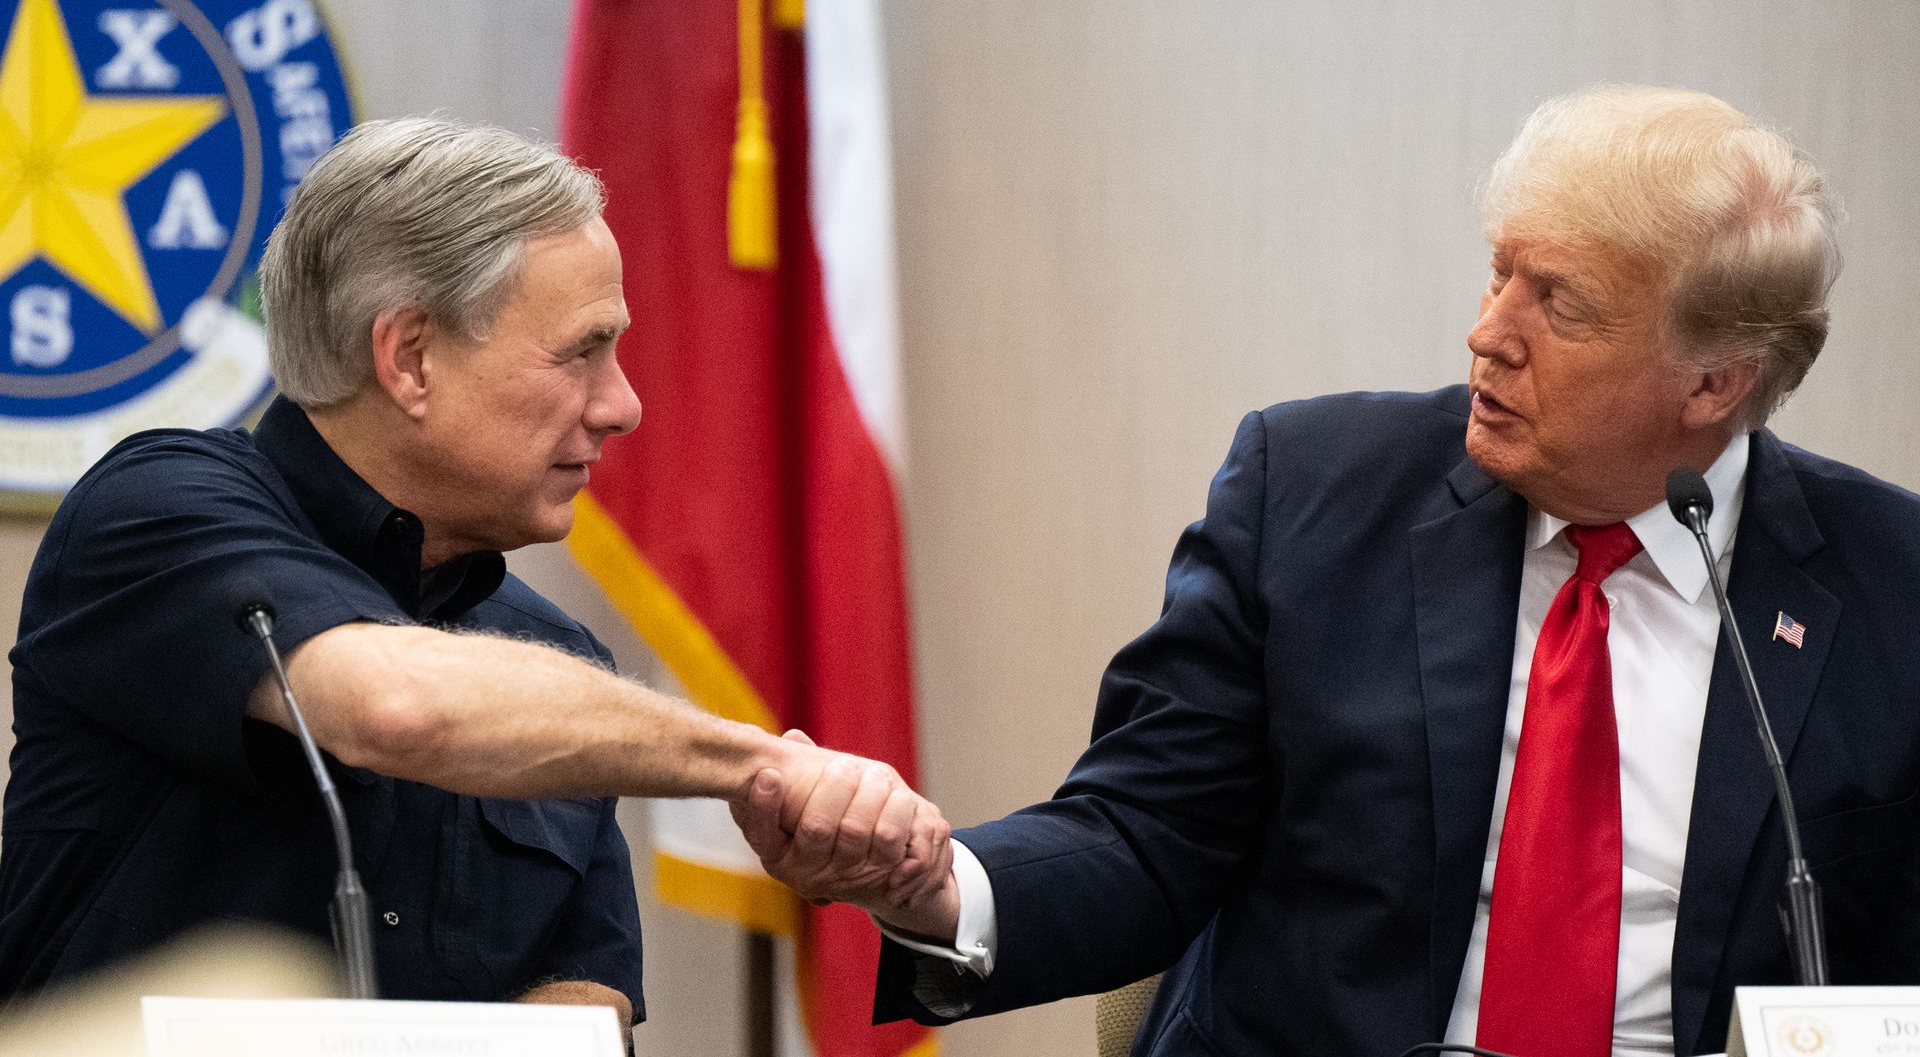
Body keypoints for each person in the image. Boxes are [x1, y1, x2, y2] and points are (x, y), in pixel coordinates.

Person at [737, 85, 1920, 1056]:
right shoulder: (1312, 492)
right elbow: (1148, 834)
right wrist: (936, 884)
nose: (1488, 330)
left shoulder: (1890, 587)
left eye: (1557, 303)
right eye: (1500, 270)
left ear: (1712, 384)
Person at [0, 118, 950, 1024]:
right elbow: (397, 706)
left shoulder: (555, 663)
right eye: (583, 351)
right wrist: (763, 767)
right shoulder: (156, 506)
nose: (624, 407)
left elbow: (585, 1004)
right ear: (409, 358)